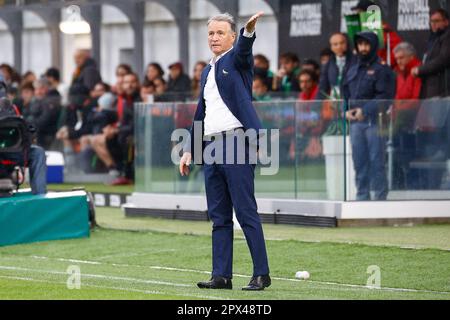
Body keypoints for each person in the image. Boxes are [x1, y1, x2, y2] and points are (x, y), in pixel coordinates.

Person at [179, 12, 271, 291]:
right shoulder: (207, 70)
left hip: (237, 143)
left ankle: (261, 274)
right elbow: (201, 113)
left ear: (231, 36)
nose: (215, 38)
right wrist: (189, 149)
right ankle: (221, 276)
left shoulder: (238, 60)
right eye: (211, 33)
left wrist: (248, 33)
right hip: (210, 146)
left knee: (245, 212)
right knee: (219, 217)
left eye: (220, 33)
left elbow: (244, 50)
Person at [343, 31, 396, 201]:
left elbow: (385, 97)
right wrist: (345, 109)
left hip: (375, 122)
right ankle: (362, 197)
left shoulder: (382, 69)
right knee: (359, 162)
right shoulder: (351, 69)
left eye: (366, 44)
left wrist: (364, 111)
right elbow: (344, 93)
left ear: (373, 46)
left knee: (376, 162)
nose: (363, 48)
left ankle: (380, 199)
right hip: (356, 124)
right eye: (360, 44)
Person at [0, 80, 47, 195]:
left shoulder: (11, 107)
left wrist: (29, 132)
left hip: (11, 149)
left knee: (37, 153)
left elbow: (23, 126)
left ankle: (39, 197)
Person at [351, 0, 402, 68]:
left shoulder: (384, 31)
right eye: (357, 13)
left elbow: (397, 50)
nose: (357, 15)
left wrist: (383, 65)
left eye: (360, 12)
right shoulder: (359, 31)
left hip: (379, 71)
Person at [412, 9, 450, 98]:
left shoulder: (447, 36)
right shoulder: (433, 39)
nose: (433, 24)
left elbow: (443, 59)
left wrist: (420, 69)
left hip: (443, 91)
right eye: (431, 21)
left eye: (437, 21)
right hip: (432, 90)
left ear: (446, 22)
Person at [317, 32, 356, 100]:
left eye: (342, 43)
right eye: (335, 44)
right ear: (331, 47)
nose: (339, 46)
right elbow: (322, 88)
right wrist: (315, 108)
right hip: (335, 103)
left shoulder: (356, 61)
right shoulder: (328, 64)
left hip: (353, 102)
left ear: (347, 44)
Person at [28, 78, 62, 150]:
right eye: (36, 89)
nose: (38, 92)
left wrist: (29, 123)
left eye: (41, 88)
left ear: (48, 88)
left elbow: (45, 120)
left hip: (47, 136)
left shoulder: (52, 101)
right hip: (41, 134)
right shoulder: (38, 100)